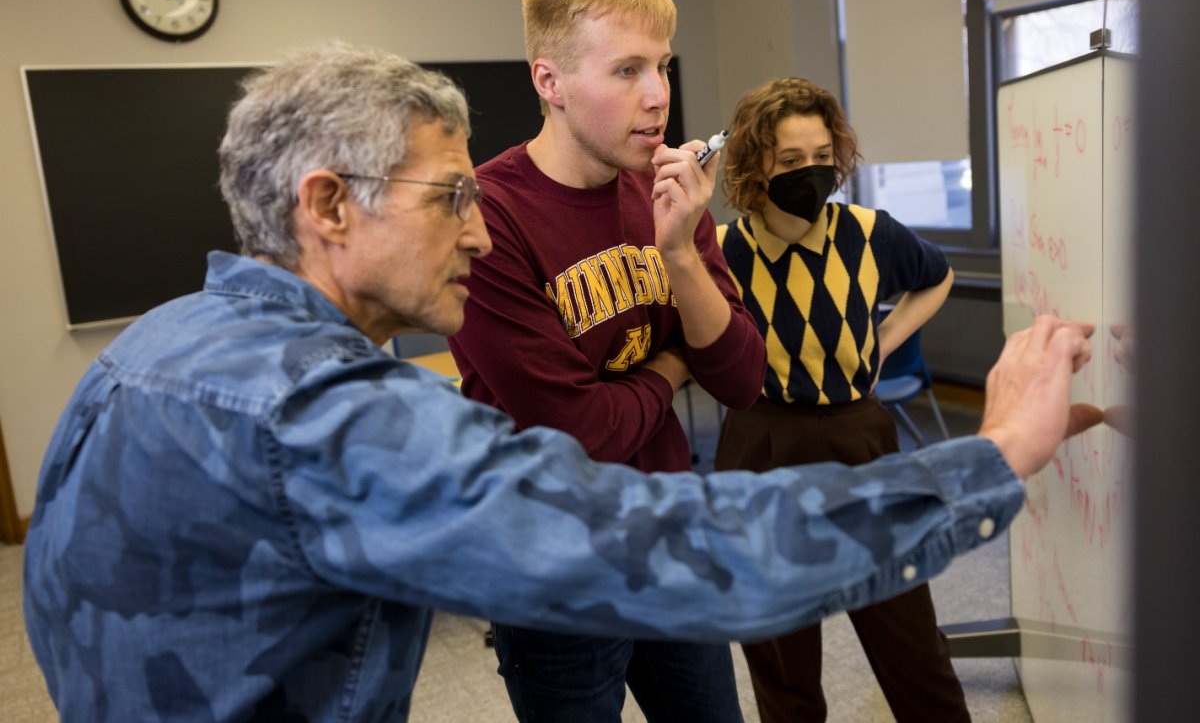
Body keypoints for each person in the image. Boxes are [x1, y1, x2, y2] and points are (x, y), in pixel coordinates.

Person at [23, 41, 1098, 723]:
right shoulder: (321, 416)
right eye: (450, 197)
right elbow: (686, 552)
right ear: (329, 205)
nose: (484, 234)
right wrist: (991, 458)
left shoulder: (154, 346)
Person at [445, 0, 765, 721]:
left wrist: (681, 252)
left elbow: (743, 378)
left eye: (659, 65)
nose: (658, 97)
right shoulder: (487, 216)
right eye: (626, 69)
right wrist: (670, 360)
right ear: (549, 81)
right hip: (551, 564)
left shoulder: (667, 190)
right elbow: (578, 431)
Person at [712, 76, 966, 721]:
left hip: (861, 438)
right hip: (761, 444)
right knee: (779, 648)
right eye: (791, 161)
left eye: (823, 157)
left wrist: (883, 342)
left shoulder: (869, 232)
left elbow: (937, 277)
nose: (811, 172)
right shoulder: (720, 249)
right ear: (755, 163)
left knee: (907, 633)